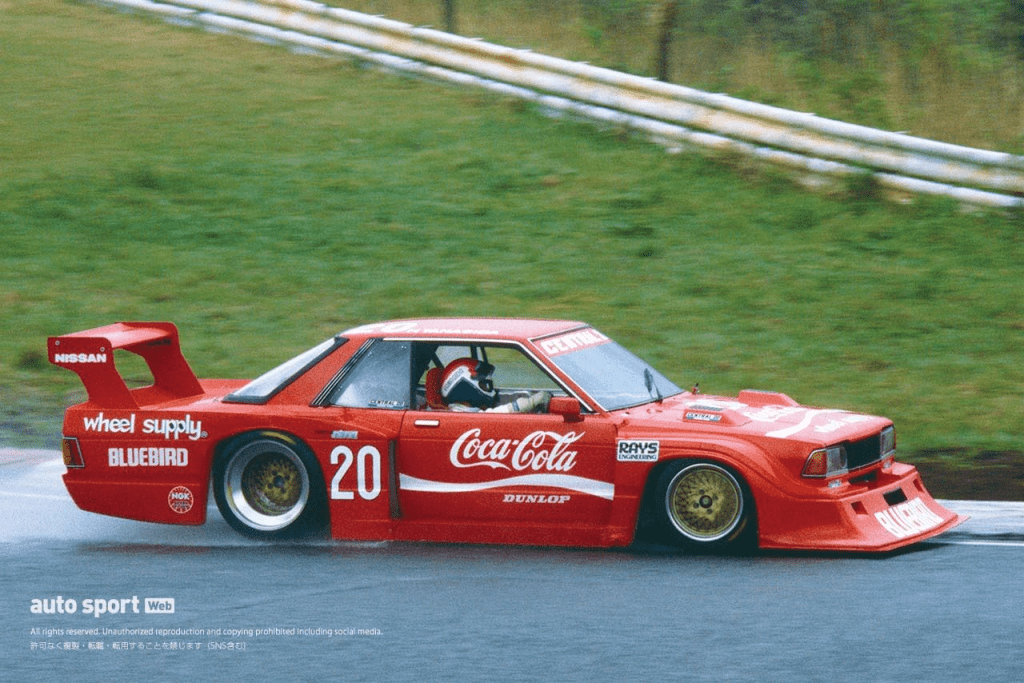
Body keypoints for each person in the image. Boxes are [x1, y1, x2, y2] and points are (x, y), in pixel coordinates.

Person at [440, 358, 550, 413]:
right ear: (465, 388)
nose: (489, 388)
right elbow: (490, 416)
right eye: (483, 384)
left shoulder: (469, 410)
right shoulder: (458, 414)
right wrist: (531, 402)